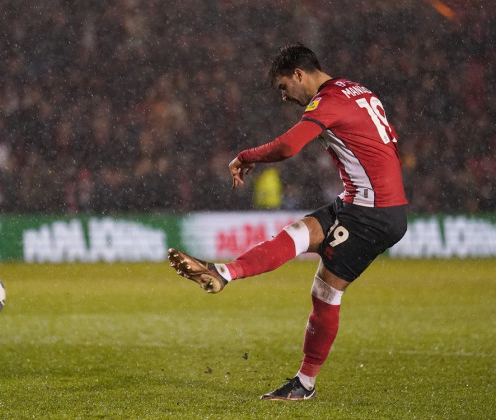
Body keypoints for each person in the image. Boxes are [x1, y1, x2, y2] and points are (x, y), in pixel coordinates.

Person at [168, 43, 408, 401]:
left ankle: (305, 384)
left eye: (284, 87)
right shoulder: (355, 90)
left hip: (372, 211)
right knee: (298, 235)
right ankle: (223, 273)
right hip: (361, 202)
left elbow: (289, 147)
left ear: (299, 74)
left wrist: (247, 156)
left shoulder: (328, 101)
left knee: (326, 291)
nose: (285, 97)